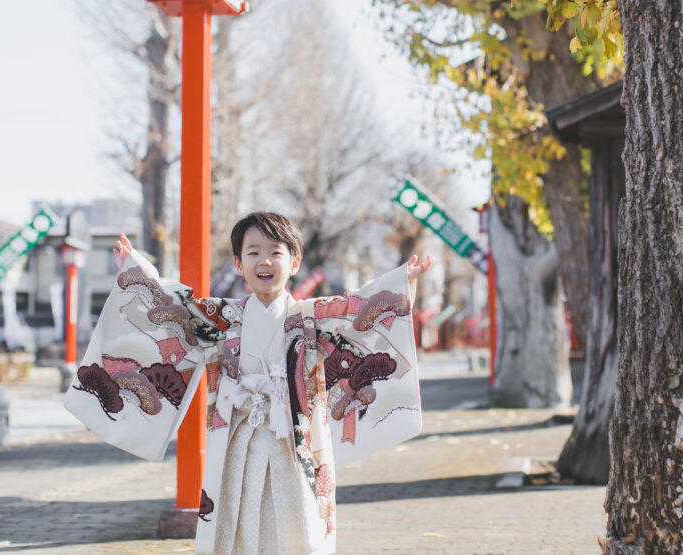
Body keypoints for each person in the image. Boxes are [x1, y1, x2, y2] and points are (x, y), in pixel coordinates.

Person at [65, 211, 432, 554]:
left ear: (295, 262)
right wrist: (137, 272)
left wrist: (400, 285)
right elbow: (175, 308)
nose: (265, 261)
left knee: (298, 520)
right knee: (234, 519)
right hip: (236, 439)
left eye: (276, 252)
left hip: (293, 441)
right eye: (253, 252)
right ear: (239, 264)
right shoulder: (224, 318)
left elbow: (355, 308)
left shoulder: (311, 317)